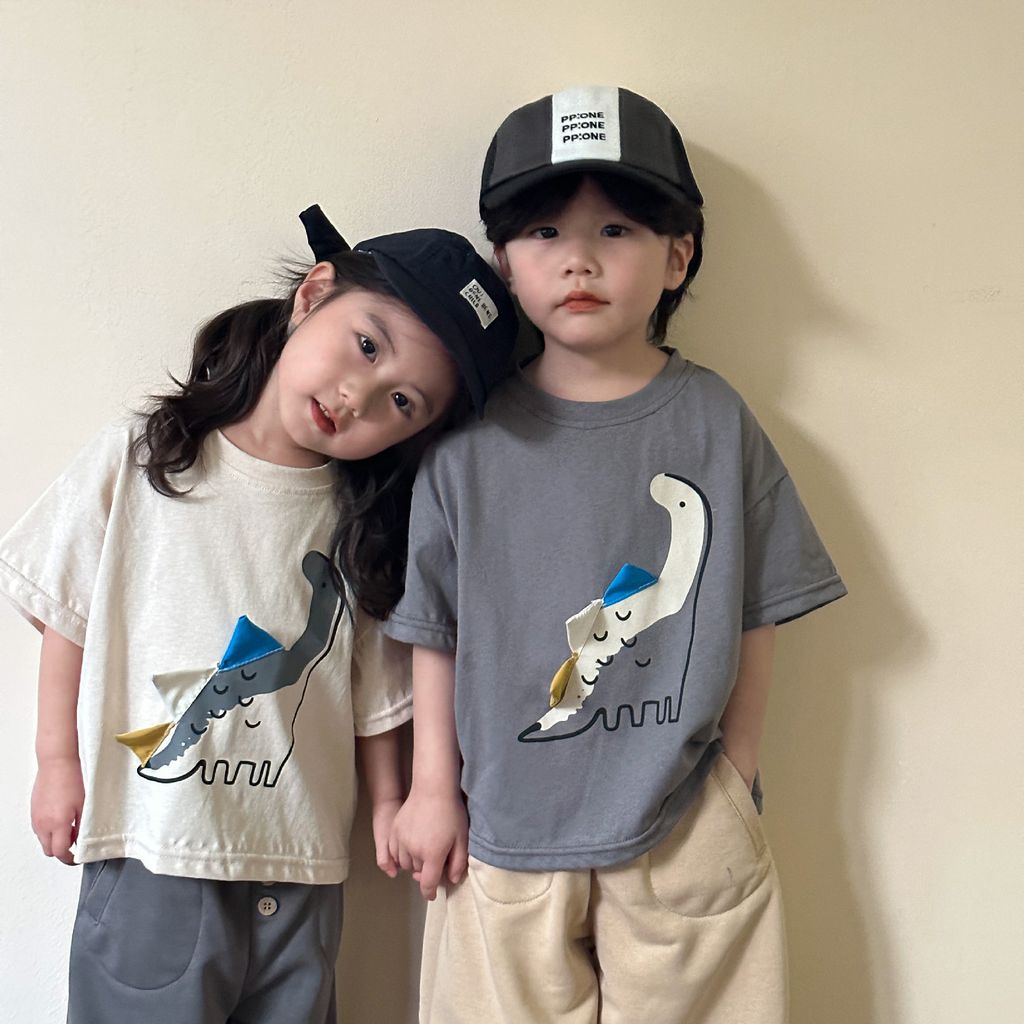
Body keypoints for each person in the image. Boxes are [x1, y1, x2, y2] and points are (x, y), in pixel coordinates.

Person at [386, 85, 847, 1023]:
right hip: (501, 835)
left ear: (679, 255)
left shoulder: (716, 420)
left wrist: (735, 775)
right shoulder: (466, 447)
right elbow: (433, 629)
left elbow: (759, 606)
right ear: (504, 263)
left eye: (617, 229)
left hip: (684, 829)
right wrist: (431, 787)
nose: (580, 259)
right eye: (545, 231)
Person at [0, 204, 517, 1023]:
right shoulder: (149, 456)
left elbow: (371, 695)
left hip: (300, 866)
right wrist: (55, 760)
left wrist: (389, 802)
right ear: (313, 294)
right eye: (367, 345)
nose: (357, 396)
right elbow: (68, 613)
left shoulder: (362, 527)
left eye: (402, 400)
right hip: (153, 847)